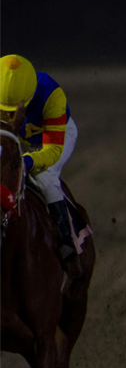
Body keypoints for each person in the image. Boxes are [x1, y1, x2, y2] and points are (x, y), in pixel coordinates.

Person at [0, 54, 81, 273]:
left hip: (54, 138)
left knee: (44, 177)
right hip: (16, 140)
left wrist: (29, 161)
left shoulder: (51, 94)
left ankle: (67, 243)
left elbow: (53, 150)